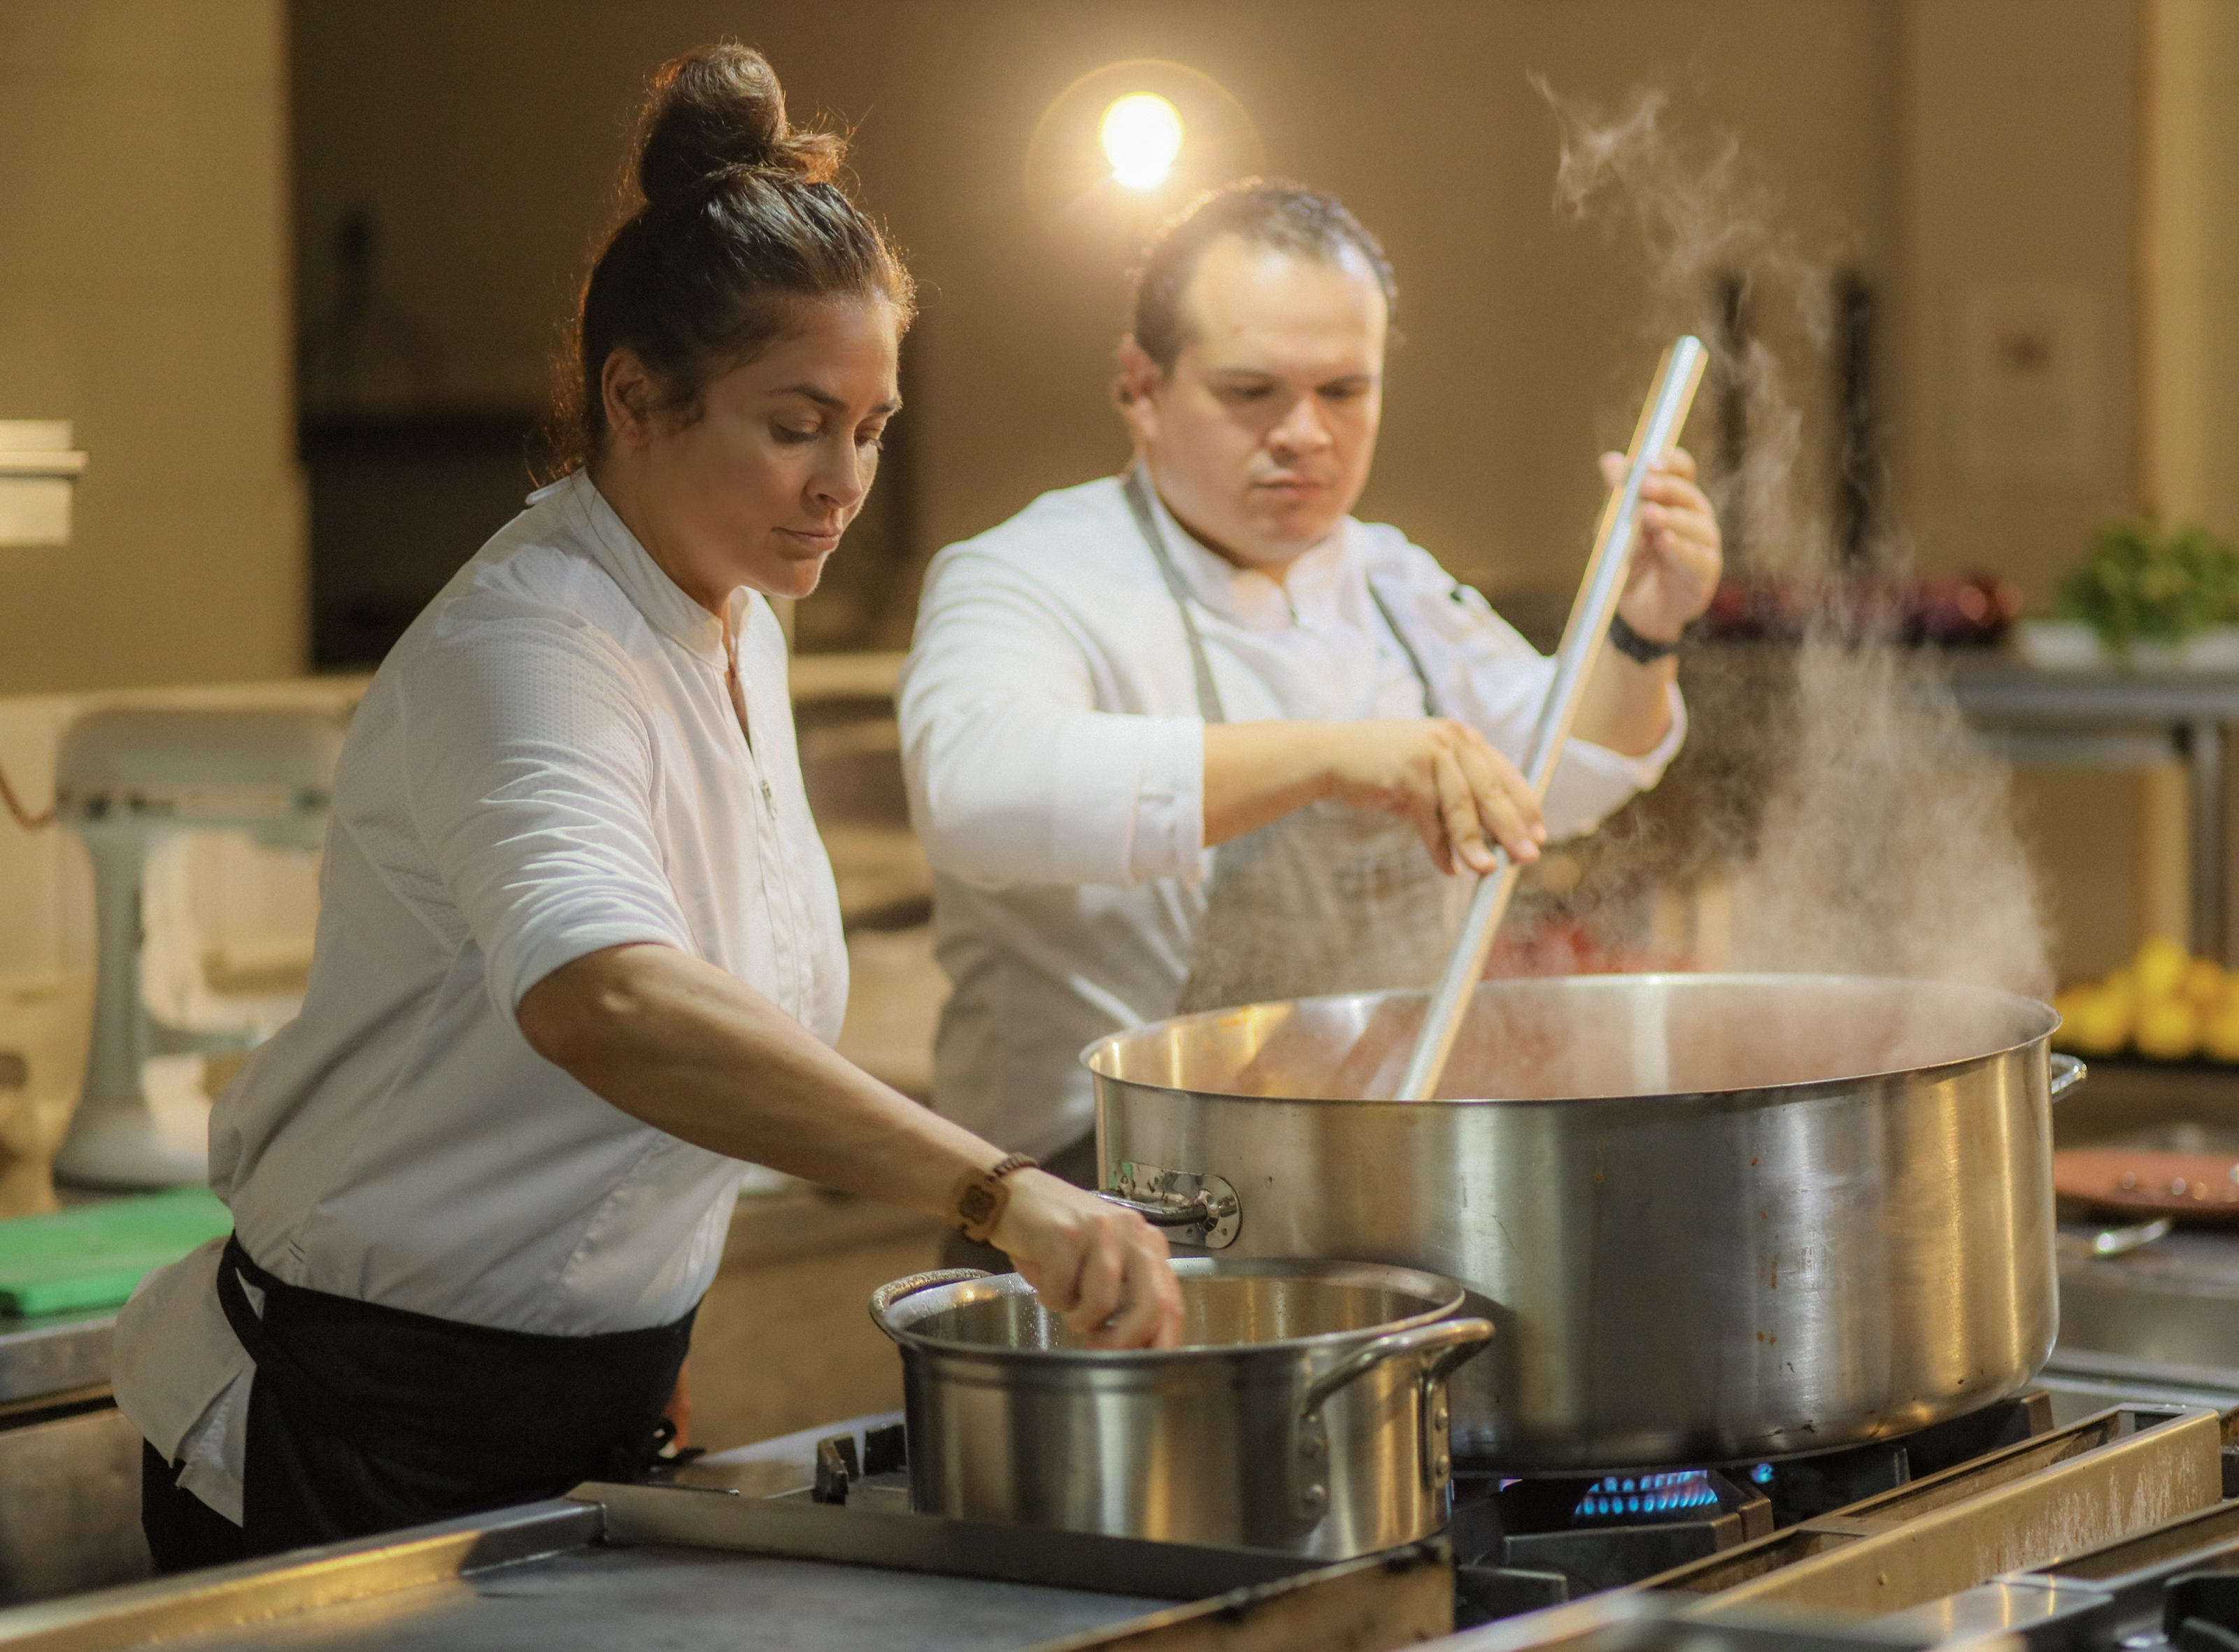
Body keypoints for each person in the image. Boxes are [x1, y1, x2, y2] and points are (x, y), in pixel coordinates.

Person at [113, 43, 1180, 1574]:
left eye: (871, 428)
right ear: (635, 396)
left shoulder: (738, 607)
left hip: (588, 1399)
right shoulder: (529, 646)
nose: (842, 480)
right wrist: (997, 1187)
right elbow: (605, 998)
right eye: (796, 421)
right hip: (358, 1424)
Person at [899, 179, 1723, 1217]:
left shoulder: (1391, 582)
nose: (1304, 433)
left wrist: (1641, 627)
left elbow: (1557, 775)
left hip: (1380, 1174)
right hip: (1098, 1193)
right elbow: (976, 792)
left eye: (1344, 390)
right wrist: (1336, 755)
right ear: (1140, 385)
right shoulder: (1028, 575)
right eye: (1251, 392)